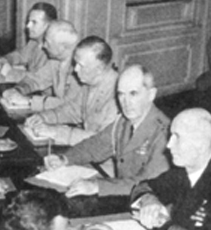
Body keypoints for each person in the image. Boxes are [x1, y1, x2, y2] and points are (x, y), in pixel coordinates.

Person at [44, 64, 170, 197]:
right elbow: (95, 146)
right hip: (124, 195)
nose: (126, 102)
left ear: (151, 94)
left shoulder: (165, 133)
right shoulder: (123, 122)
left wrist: (97, 186)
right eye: (121, 94)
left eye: (133, 94)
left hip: (149, 204)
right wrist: (65, 158)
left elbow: (149, 183)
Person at [25, 36, 119, 145]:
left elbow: (101, 140)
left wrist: (56, 132)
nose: (75, 69)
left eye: (81, 65)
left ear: (99, 69)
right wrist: (44, 117)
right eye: (75, 63)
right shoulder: (89, 82)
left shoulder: (117, 95)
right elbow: (73, 110)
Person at [2, 20, 82, 112]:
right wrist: (18, 90)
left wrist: (29, 101)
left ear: (62, 47)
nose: (43, 46)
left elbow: (69, 103)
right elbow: (36, 80)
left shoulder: (80, 68)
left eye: (47, 42)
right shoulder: (54, 62)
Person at [0, 2, 57, 78]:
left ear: (49, 25)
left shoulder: (55, 50)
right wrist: (6, 59)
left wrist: (11, 72)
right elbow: (20, 56)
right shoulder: (34, 42)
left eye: (34, 22)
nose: (28, 26)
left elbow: (39, 79)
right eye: (28, 21)